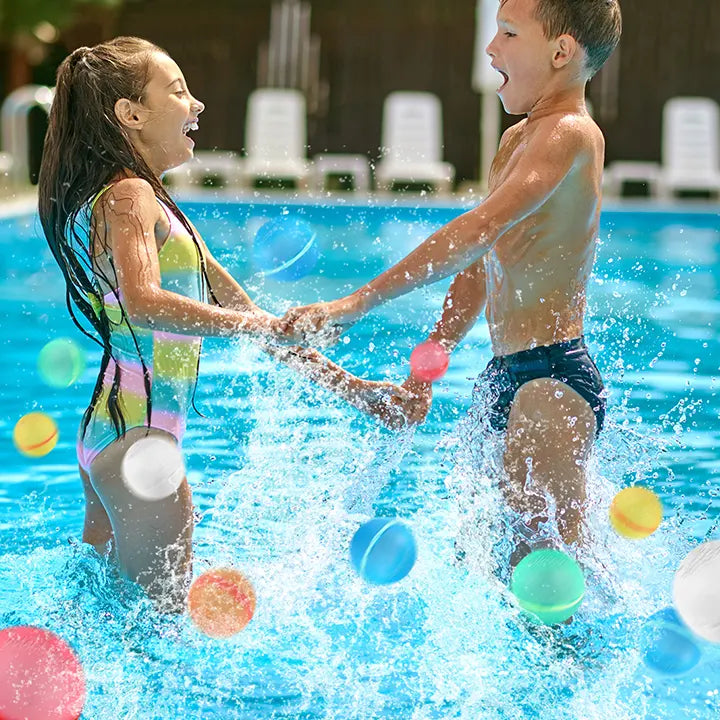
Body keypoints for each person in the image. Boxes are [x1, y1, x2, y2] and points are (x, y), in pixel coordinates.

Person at [37, 37, 407, 612]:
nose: (197, 104)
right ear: (130, 115)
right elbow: (144, 301)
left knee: (108, 612)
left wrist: (357, 392)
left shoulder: (153, 206)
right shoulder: (129, 196)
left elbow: (253, 322)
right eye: (178, 90)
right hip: (143, 446)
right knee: (154, 634)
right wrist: (258, 331)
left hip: (112, 435)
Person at [284, 0, 622, 569]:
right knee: (495, 564)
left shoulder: (569, 132)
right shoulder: (517, 140)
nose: (493, 49)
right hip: (506, 378)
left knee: (547, 576)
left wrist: (357, 301)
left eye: (510, 33)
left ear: (562, 52)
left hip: (550, 380)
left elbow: (478, 228)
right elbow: (482, 262)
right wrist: (428, 364)